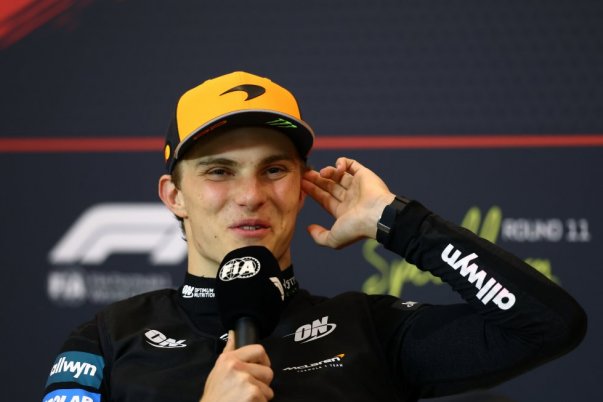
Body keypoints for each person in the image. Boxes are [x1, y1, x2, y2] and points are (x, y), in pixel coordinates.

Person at [42, 71, 587, 402]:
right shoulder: (109, 340)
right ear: (174, 195)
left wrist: (398, 221)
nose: (251, 194)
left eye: (274, 170)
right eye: (219, 171)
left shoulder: (367, 330)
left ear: (303, 186)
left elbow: (548, 325)